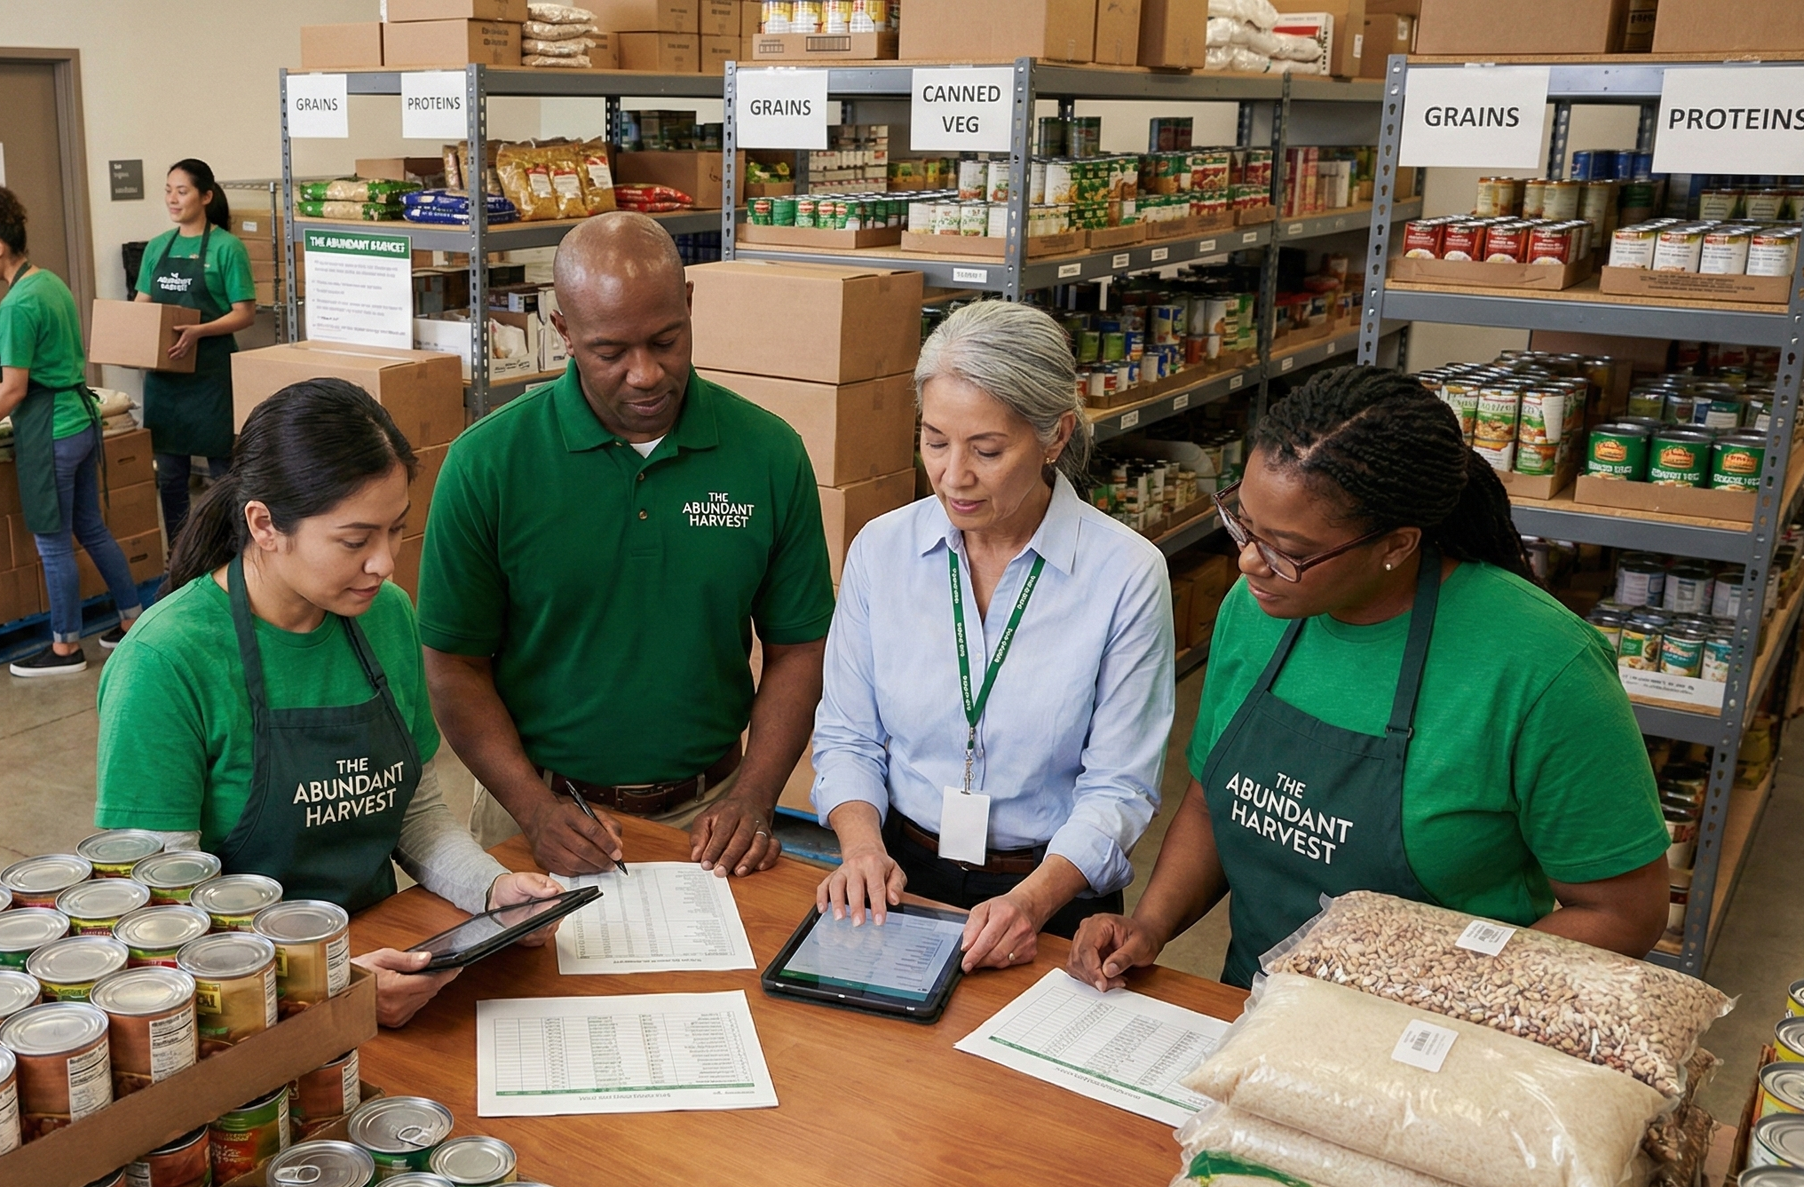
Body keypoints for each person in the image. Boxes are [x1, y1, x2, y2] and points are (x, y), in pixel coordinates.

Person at [1066, 365, 1669, 991]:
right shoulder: (1254, 611)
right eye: (1243, 524)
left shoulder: (1542, 667)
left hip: (1430, 1039)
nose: (1248, 561)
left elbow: (1624, 911)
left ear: (1398, 544)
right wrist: (1151, 924)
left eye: (1289, 550)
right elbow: (1212, 801)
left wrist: (1443, 992)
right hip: (1254, 1012)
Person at [93, 378, 561, 1026]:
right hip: (242, 1013)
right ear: (264, 524)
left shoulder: (386, 617)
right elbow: (155, 922)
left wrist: (494, 890)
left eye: (395, 531)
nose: (385, 564)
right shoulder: (167, 661)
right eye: (355, 540)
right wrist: (325, 990)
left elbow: (413, 812)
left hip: (382, 956)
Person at [419, 212, 833, 879]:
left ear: (690, 307)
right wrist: (533, 809)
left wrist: (756, 796)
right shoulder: (488, 465)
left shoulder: (768, 454)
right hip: (539, 815)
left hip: (713, 821)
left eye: (666, 340)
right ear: (563, 333)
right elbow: (453, 667)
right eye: (611, 352)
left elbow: (798, 649)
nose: (645, 374)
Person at [810, 301, 1174, 974]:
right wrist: (862, 849)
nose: (954, 476)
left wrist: (1031, 903)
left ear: (1055, 436)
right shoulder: (883, 552)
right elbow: (848, 735)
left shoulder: (1124, 575)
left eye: (987, 450)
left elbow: (1118, 787)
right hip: (900, 873)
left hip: (1051, 889)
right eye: (935, 440)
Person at [0, 185, 141, 677]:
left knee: (52, 542)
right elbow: (45, 371)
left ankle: (65, 648)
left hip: (51, 435)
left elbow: (16, 391)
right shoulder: (49, 284)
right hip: (80, 420)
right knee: (90, 526)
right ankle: (132, 621)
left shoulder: (15, 307)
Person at [133, 159, 259, 539]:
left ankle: (233, 548)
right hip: (165, 379)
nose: (173, 199)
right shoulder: (157, 247)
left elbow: (245, 313)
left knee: (225, 474)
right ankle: (180, 552)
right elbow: (141, 304)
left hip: (210, 377)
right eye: (168, 190)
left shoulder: (227, 248)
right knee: (170, 476)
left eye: (182, 191)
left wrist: (200, 331)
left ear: (205, 196)